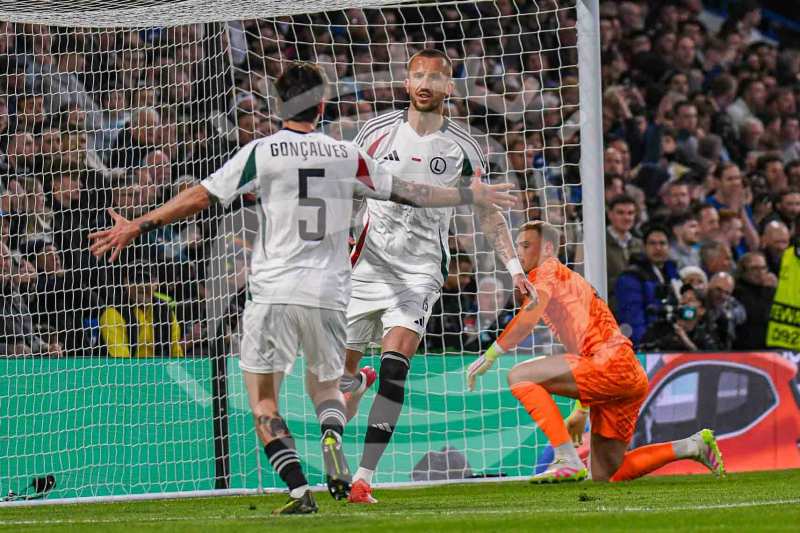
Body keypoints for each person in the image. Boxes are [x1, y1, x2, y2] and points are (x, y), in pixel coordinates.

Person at [88, 61, 515, 514]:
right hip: (330, 295)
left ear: (278, 105)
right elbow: (412, 192)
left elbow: (203, 195)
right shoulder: (345, 154)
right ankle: (332, 434)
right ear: (324, 106)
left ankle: (298, 490)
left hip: (273, 292)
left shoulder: (263, 151)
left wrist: (141, 223)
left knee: (264, 401)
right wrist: (469, 195)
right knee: (328, 390)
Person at [337, 48, 533, 505]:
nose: (425, 83)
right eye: (417, 75)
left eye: (435, 77)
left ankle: (365, 478)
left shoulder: (463, 145)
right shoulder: (375, 132)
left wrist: (514, 268)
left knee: (394, 370)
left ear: (450, 88)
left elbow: (488, 213)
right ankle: (356, 384)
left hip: (420, 272)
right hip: (365, 264)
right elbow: (348, 186)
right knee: (339, 385)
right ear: (406, 84)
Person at [466, 221, 724, 483]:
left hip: (610, 363)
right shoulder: (567, 284)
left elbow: (528, 318)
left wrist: (491, 355)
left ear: (547, 248)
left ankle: (566, 458)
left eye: (525, 245)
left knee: (520, 376)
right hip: (627, 372)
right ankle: (691, 446)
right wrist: (581, 410)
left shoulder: (546, 270)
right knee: (607, 473)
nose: (519, 252)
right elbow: (584, 349)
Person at [614, 225, 679, 346]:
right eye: (652, 243)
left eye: (662, 243)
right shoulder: (632, 277)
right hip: (646, 347)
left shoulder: (673, 275)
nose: (658, 248)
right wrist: (644, 345)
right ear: (644, 247)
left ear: (669, 247)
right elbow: (632, 318)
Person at [99, 265, 183, 358]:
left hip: (160, 369)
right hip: (128, 371)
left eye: (147, 279)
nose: (141, 285)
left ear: (156, 283)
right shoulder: (113, 314)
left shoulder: (166, 312)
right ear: (125, 283)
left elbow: (176, 354)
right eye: (136, 280)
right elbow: (121, 362)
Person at [605, 194, 642, 308]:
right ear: (610, 214)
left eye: (630, 213)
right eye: (620, 213)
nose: (626, 218)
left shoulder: (640, 244)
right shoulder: (598, 244)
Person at [733, 252, 776, 349]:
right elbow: (757, 315)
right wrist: (768, 291)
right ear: (743, 271)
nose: (760, 272)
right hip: (746, 349)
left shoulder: (770, 290)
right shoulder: (737, 291)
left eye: (763, 268)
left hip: (770, 349)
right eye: (755, 268)